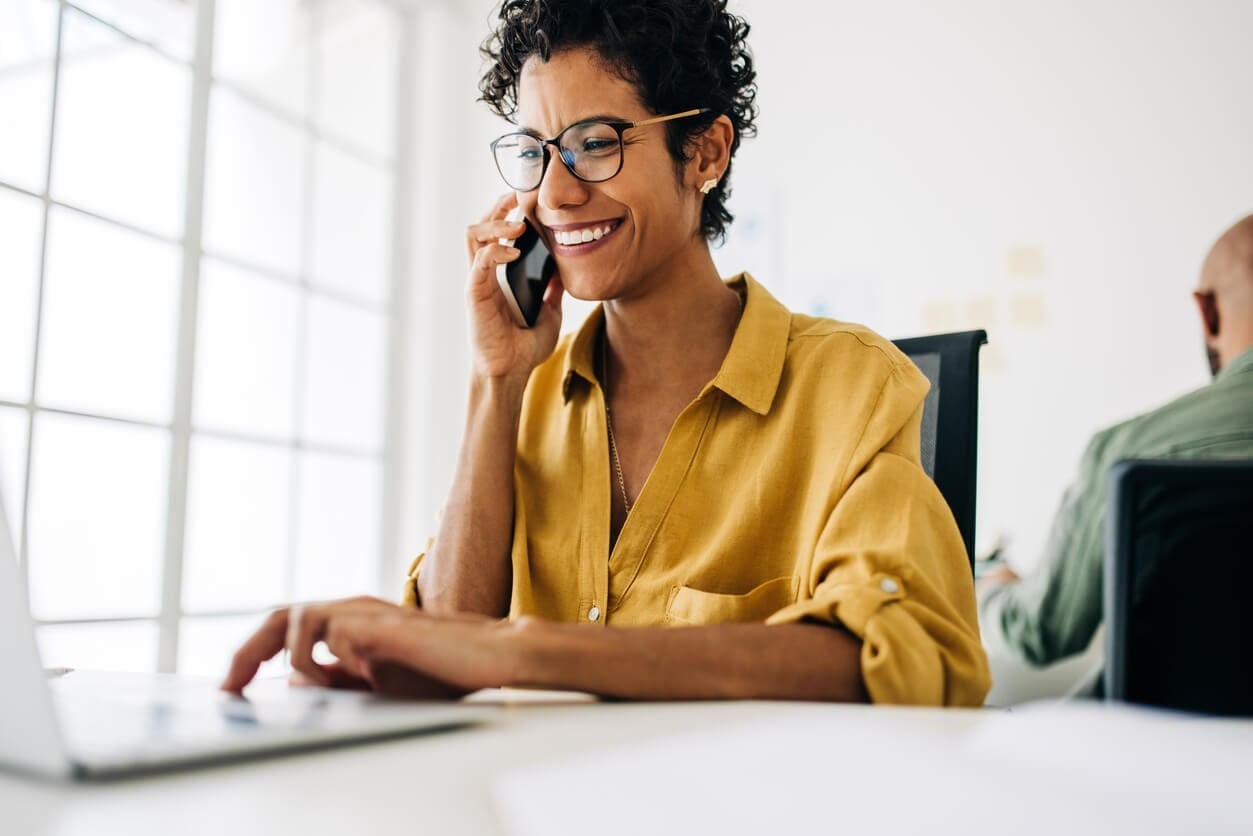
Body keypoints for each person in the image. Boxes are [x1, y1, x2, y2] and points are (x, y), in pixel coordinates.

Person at [223, 0, 989, 706]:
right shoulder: (528, 394)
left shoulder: (849, 387)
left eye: (594, 145)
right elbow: (442, 649)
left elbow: (909, 660)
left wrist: (526, 652)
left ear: (706, 152)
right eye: (533, 152)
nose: (553, 194)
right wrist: (497, 380)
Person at [979, 213, 1253, 678]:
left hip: (1165, 745)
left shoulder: (1127, 451)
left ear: (1207, 311)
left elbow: (1040, 634)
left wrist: (991, 591)